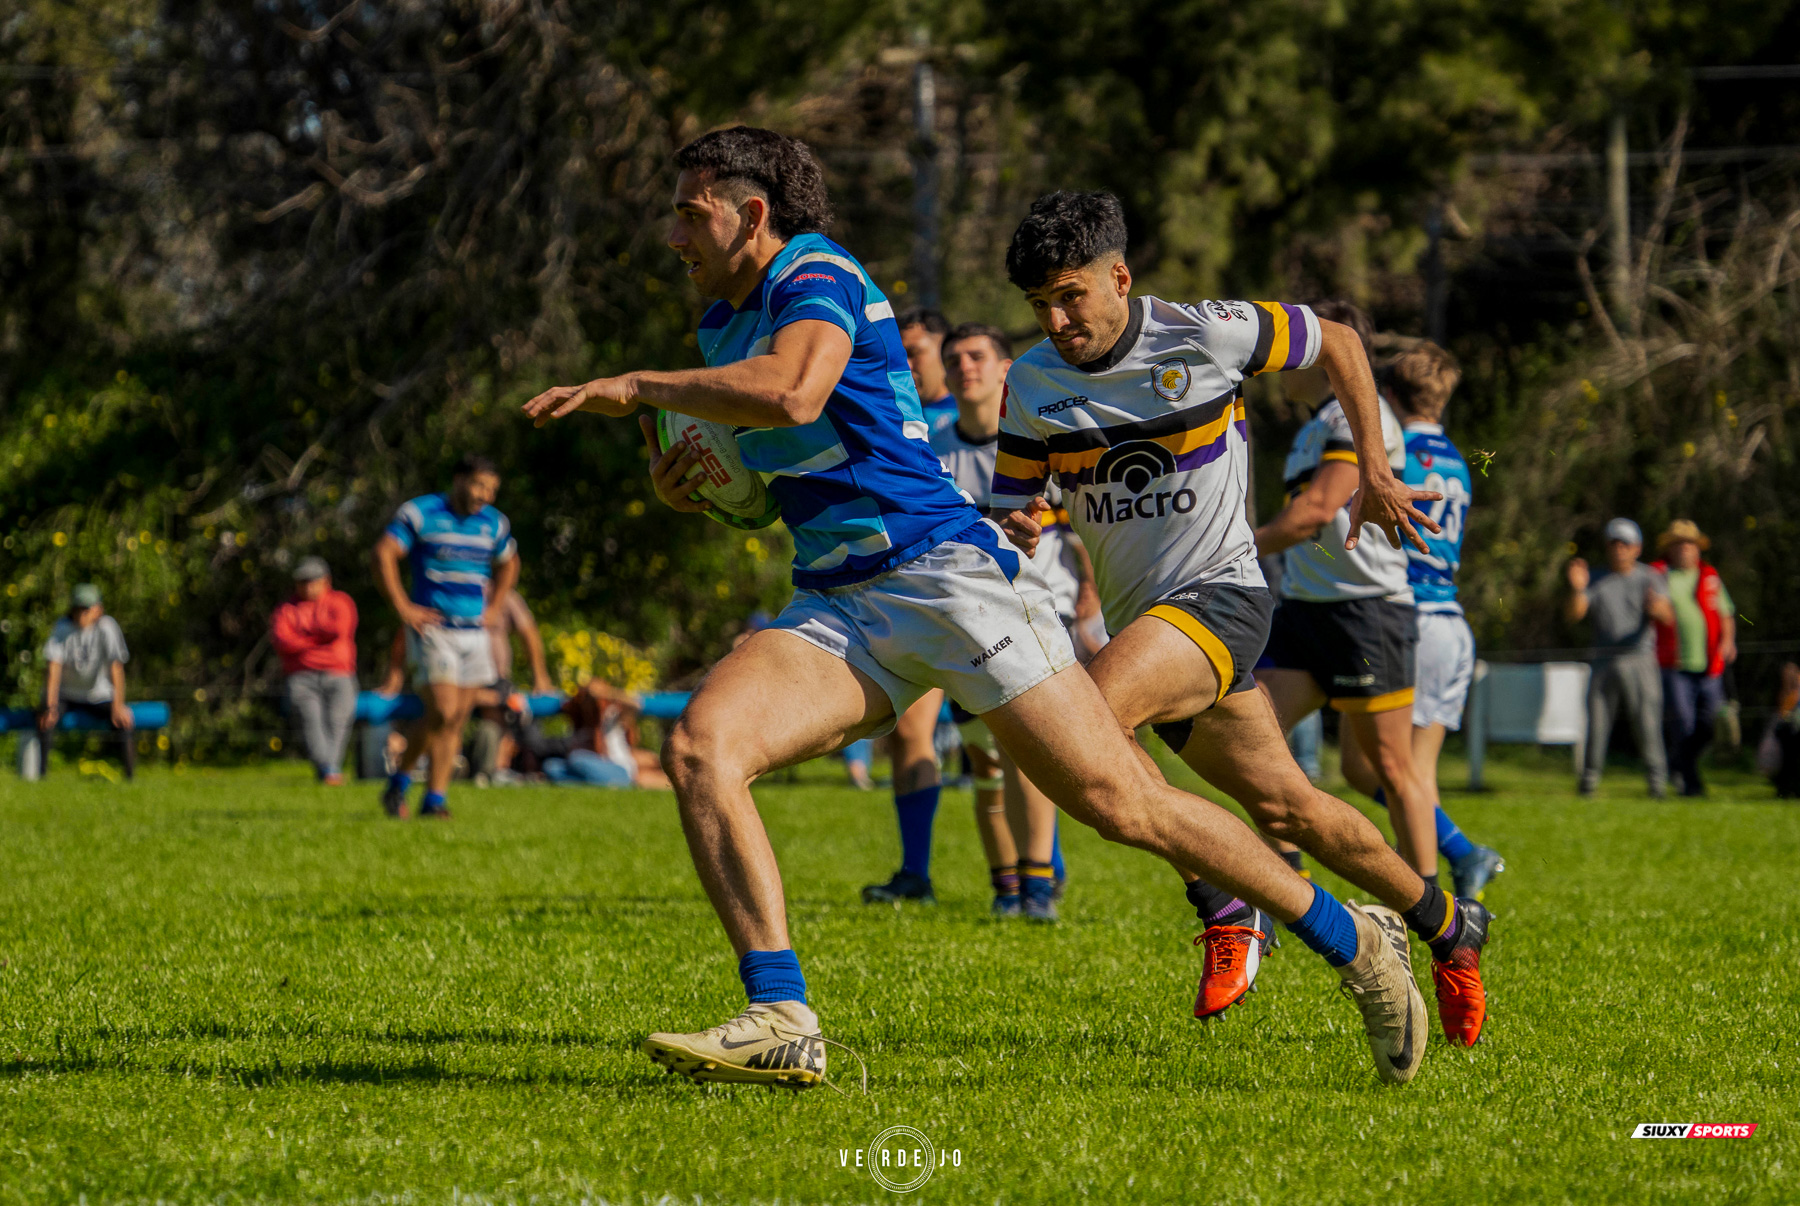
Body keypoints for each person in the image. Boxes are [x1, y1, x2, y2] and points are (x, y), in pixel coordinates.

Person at [524, 128, 1431, 1090]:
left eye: (686, 209)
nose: (673, 233)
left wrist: (635, 386)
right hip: (839, 598)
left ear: (751, 213)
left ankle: (1358, 944)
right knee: (703, 746)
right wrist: (695, 488)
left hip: (940, 578)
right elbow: (766, 481)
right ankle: (781, 1014)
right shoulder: (720, 326)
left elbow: (794, 394)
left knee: (1120, 805)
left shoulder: (814, 270)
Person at [994, 194, 1489, 1047]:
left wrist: (1373, 465)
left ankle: (1227, 906)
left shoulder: (1206, 331)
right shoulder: (1031, 381)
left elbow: (1338, 341)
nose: (1058, 319)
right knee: (1292, 809)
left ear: (1120, 277)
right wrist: (1021, 520)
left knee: (1085, 725)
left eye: (1071, 295)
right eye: (1041, 304)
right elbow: (1014, 500)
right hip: (1148, 626)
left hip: (1221, 596)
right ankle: (1447, 925)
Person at [928, 320, 1086, 921]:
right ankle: (1007, 888)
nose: (964, 366)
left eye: (977, 356)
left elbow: (1077, 535)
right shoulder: (931, 452)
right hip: (964, 620)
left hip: (1037, 617)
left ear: (1003, 371)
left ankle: (1040, 884)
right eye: (954, 358)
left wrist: (1094, 603)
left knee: (1027, 752)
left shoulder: (1035, 438)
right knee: (984, 762)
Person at [1341, 342, 1504, 899]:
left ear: (1385, 393)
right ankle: (1459, 865)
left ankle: (1434, 893)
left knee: (1381, 769)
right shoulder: (1457, 457)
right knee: (1397, 769)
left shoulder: (1394, 448)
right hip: (1451, 622)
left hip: (1409, 615)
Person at [857, 306, 961, 906]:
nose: (908, 363)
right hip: (914, 589)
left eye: (918, 352)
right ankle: (915, 872)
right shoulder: (894, 416)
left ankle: (1037, 873)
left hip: (981, 587)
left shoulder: (970, 417)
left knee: (1011, 742)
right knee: (911, 734)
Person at [372, 454, 520, 819]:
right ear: (458, 480)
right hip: (434, 628)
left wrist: (495, 607)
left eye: (492, 489)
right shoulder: (421, 513)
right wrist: (403, 607)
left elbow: (510, 563)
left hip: (474, 633)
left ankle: (432, 799)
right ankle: (403, 779)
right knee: (442, 710)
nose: (485, 494)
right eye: (479, 485)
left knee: (455, 719)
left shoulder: (494, 524)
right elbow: (384, 553)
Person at [1565, 518, 1672, 797]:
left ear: (1637, 548)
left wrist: (1657, 609)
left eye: (1625, 544)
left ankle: (1657, 784)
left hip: (1640, 659)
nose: (1619, 549)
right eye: (1614, 543)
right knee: (1597, 724)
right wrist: (1577, 588)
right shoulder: (1596, 578)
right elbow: (1574, 615)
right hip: (1602, 660)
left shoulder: (1650, 577)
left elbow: (1668, 616)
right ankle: (1588, 784)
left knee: (1647, 722)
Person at [1651, 520, 1737, 797]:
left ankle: (1676, 764)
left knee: (1712, 724)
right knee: (1682, 726)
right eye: (1679, 544)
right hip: (1674, 665)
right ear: (1671, 548)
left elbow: (1727, 614)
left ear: (1697, 549)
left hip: (1711, 665)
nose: (1685, 549)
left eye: (1690, 544)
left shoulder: (1710, 577)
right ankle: (1691, 785)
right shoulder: (1658, 575)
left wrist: (1728, 641)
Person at [270, 556, 360, 785]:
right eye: (302, 581)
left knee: (337, 722)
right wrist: (318, 639)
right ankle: (328, 769)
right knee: (311, 723)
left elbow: (338, 629)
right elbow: (283, 641)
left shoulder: (340, 602)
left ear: (326, 581)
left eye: (312, 581)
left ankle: (329, 769)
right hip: (301, 677)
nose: (307, 586)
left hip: (339, 673)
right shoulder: (287, 608)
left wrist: (303, 638)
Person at [38, 583, 135, 780]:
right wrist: (50, 705)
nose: (82, 614)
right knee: (44, 720)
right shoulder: (62, 628)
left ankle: (130, 777)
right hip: (67, 695)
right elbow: (53, 669)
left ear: (98, 609)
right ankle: (42, 776)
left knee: (123, 721)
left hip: (98, 695)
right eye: (78, 608)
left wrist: (118, 705)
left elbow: (116, 668)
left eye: (87, 608)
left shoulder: (107, 627)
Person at [897, 307, 959, 439]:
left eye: (913, 353)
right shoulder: (889, 416)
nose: (906, 365)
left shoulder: (968, 416)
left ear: (944, 353)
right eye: (898, 356)